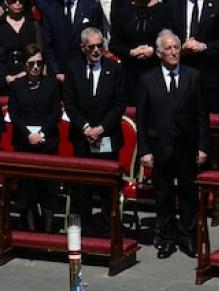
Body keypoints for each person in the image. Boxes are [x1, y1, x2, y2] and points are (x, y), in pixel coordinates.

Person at [135, 31, 209, 260]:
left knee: (188, 193)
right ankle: (166, 238)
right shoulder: (147, 79)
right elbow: (142, 119)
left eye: (176, 47)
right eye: (168, 48)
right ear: (159, 53)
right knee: (163, 194)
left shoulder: (193, 76)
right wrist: (145, 150)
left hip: (187, 146)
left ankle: (188, 236)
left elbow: (202, 115)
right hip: (160, 147)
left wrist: (203, 146)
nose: (174, 52)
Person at [63, 28, 126, 235]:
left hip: (107, 136)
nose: (97, 50)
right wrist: (86, 128)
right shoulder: (73, 68)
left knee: (108, 186)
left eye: (100, 45)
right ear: (83, 48)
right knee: (84, 187)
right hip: (82, 138)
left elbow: (119, 104)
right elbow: (69, 104)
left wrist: (101, 128)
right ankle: (87, 228)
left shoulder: (114, 68)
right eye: (92, 47)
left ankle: (110, 228)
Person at [6, 44, 60, 232]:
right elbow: (14, 115)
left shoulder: (52, 85)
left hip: (46, 142)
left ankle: (48, 230)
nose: (36, 67)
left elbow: (55, 113)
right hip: (24, 143)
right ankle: (30, 229)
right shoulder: (16, 86)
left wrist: (42, 133)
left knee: (47, 188)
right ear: (24, 65)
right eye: (31, 63)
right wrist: (28, 135)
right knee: (26, 188)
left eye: (39, 63)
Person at [108, 0, 170, 101]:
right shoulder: (122, 11)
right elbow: (113, 45)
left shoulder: (165, 9)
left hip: (157, 70)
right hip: (130, 73)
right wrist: (131, 52)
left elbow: (170, 41)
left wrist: (153, 50)